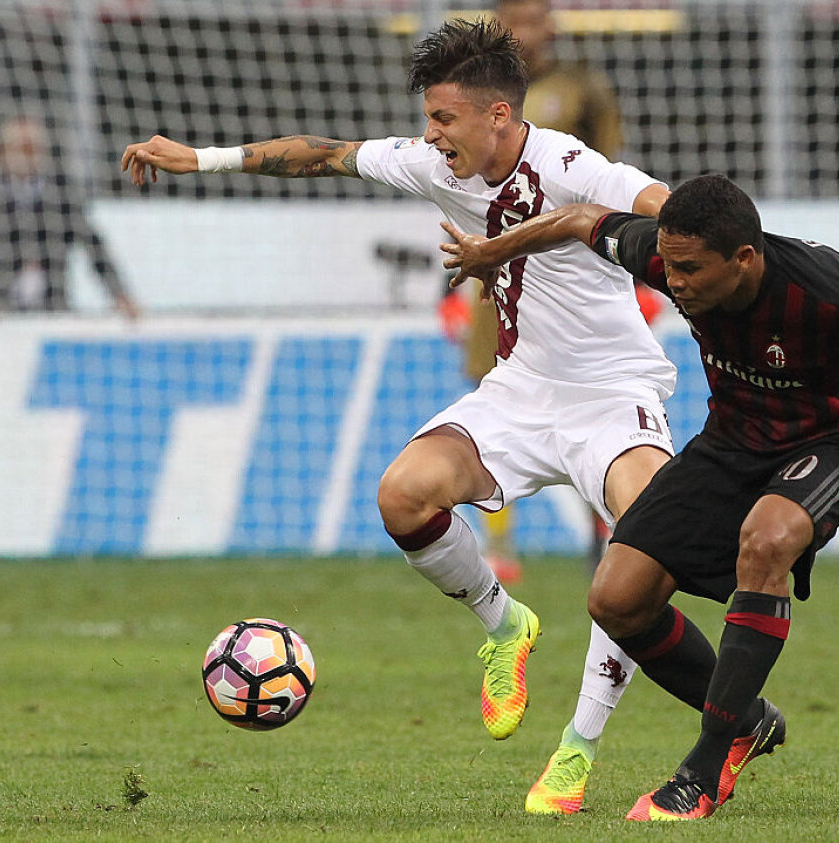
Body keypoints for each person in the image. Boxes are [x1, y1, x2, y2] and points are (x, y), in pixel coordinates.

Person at [121, 18, 677, 816]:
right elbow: (321, 153)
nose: (430, 134)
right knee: (402, 495)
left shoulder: (566, 162)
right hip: (520, 391)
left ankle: (575, 753)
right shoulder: (434, 164)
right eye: (427, 117)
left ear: (495, 114)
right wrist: (199, 158)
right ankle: (504, 624)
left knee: (638, 555)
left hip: (612, 396)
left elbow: (656, 201)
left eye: (444, 118)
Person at [440, 173, 839, 821]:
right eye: (668, 265)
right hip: (733, 442)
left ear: (745, 259)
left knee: (767, 539)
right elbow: (579, 217)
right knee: (616, 599)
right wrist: (490, 252)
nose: (674, 281)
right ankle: (747, 720)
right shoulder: (664, 253)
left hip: (835, 441)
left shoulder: (837, 293)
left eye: (691, 269)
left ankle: (700, 772)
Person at [438, 0, 632, 581]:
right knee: (492, 392)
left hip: (570, 280)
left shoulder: (581, 88)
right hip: (497, 268)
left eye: (541, 17)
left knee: (583, 412)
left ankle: (604, 529)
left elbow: (610, 176)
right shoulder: (472, 99)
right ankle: (500, 547)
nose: (536, 29)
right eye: (522, 18)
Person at [0, 115, 138, 318]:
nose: (27, 156)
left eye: (33, 149)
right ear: (2, 152)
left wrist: (120, 295)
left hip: (53, 310)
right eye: (21, 148)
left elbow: (94, 247)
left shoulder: (61, 195)